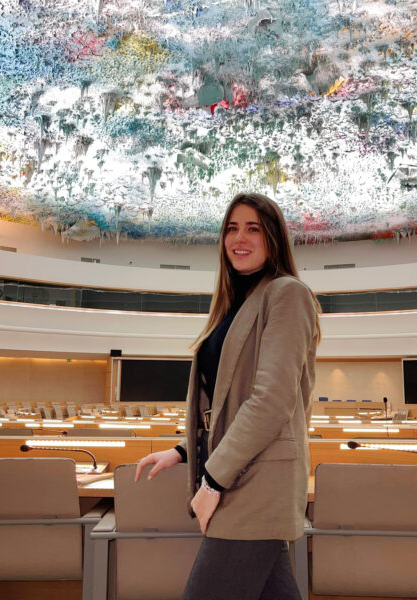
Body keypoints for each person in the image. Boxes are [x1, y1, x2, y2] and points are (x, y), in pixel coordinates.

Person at [135, 192, 321, 599]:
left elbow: (271, 401)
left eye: (254, 229)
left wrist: (212, 481)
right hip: (242, 475)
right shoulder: (235, 305)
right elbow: (226, 405)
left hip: (256, 484)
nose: (240, 238)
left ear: (273, 238)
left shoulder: (287, 294)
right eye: (232, 228)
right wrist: (184, 450)